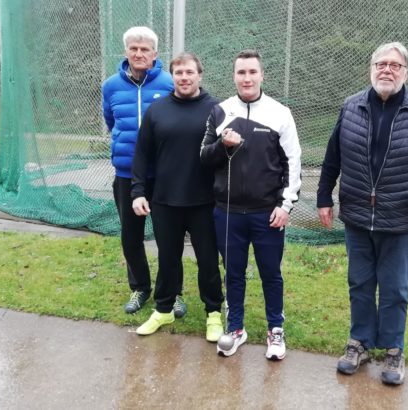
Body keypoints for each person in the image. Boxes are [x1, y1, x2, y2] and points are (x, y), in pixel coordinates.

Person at [316, 42, 408, 385]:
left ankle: (393, 350)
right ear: (371, 68)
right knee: (359, 283)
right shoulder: (351, 107)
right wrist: (323, 197)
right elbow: (332, 158)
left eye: (394, 65)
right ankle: (358, 342)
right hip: (357, 216)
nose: (386, 70)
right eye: (381, 64)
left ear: (405, 72)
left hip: (400, 220)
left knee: (395, 289)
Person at [200, 49, 302, 360]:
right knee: (233, 272)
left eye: (252, 72)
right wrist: (223, 145)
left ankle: (275, 330)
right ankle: (236, 328)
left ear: (261, 75)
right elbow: (204, 157)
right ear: (234, 76)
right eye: (241, 72)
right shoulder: (220, 112)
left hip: (266, 214)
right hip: (228, 213)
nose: (247, 78)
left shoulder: (279, 113)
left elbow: (293, 162)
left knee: (271, 273)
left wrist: (285, 206)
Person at [130, 52, 224, 341]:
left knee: (208, 260)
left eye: (189, 72)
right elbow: (142, 154)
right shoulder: (157, 110)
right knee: (168, 259)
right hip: (164, 201)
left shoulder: (216, 110)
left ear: (200, 75)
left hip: (204, 202)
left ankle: (213, 314)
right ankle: (164, 309)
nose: (184, 77)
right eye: (179, 72)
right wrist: (137, 191)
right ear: (172, 76)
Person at [101, 27, 184, 315]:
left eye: (144, 49)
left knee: (168, 238)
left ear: (155, 54)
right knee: (130, 236)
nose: (139, 54)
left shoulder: (168, 82)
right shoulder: (111, 85)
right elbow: (112, 122)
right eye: (133, 48)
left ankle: (172, 292)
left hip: (163, 177)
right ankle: (140, 288)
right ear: (126, 52)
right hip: (126, 174)